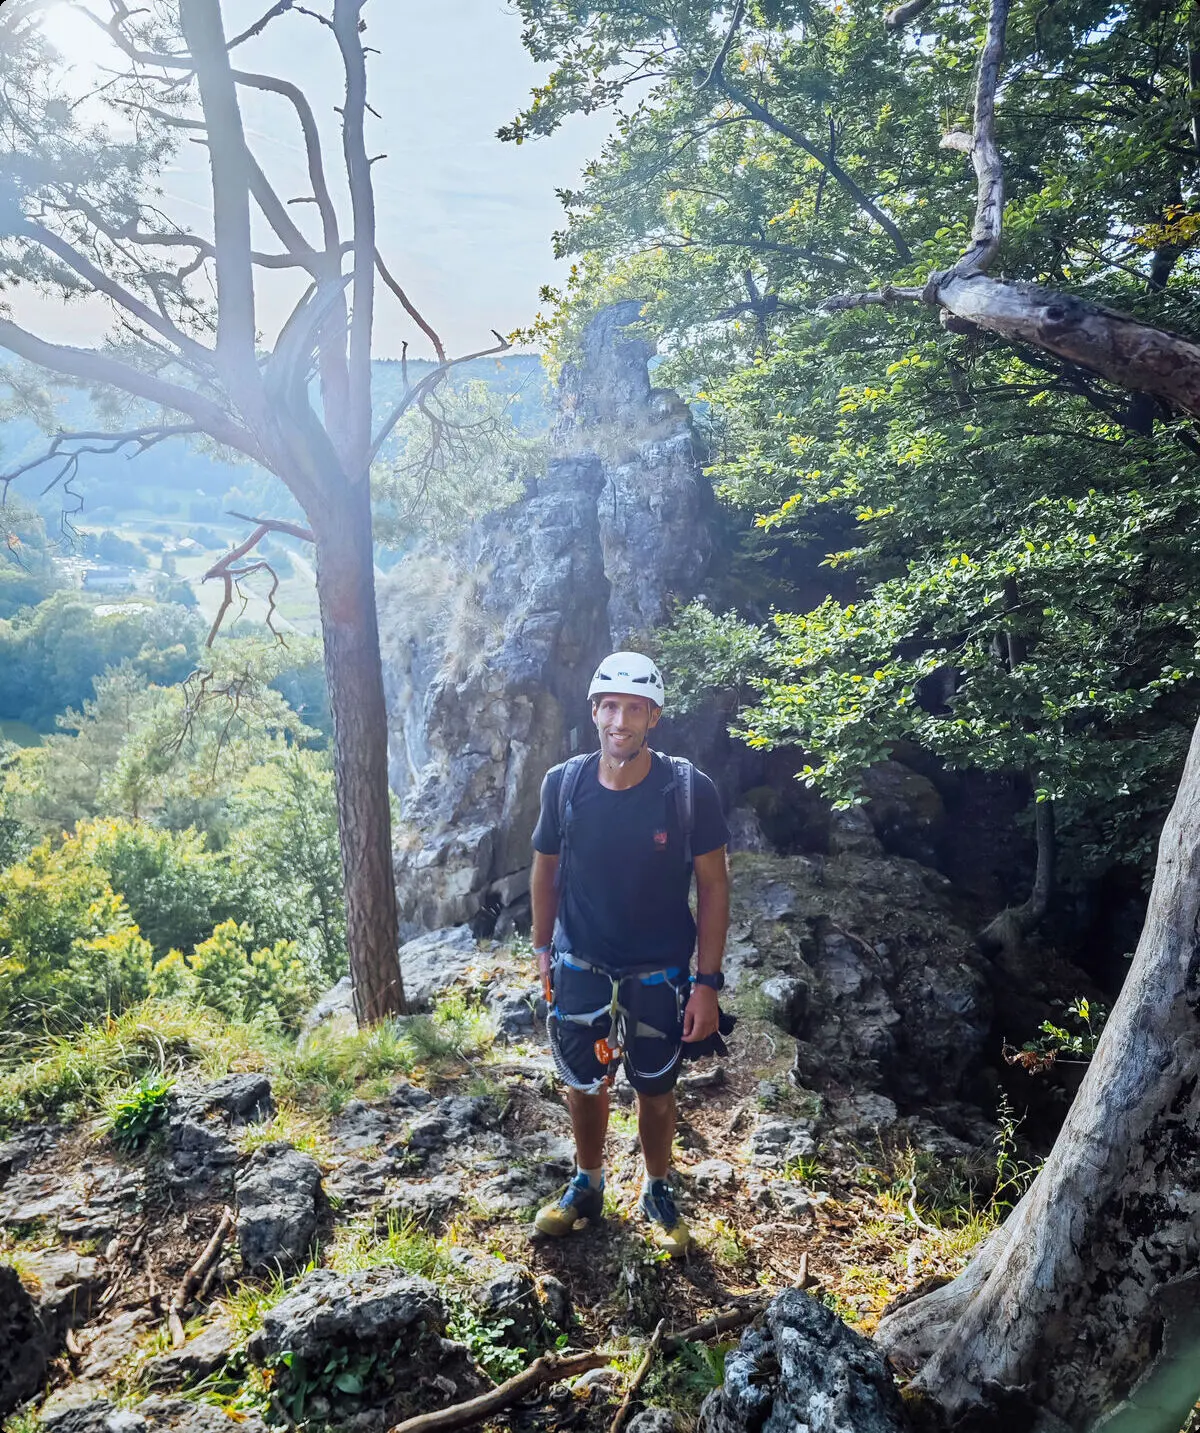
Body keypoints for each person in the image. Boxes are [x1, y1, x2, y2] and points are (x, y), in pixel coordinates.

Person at [529, 651, 730, 1255]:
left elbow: (714, 885)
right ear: (594, 712)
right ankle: (587, 1184)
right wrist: (543, 949)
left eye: (635, 709)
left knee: (656, 1087)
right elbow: (544, 874)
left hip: (660, 969)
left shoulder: (688, 790)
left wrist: (707, 983)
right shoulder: (564, 785)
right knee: (584, 1082)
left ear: (654, 717)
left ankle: (658, 1187)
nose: (622, 721)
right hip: (581, 962)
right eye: (611, 707)